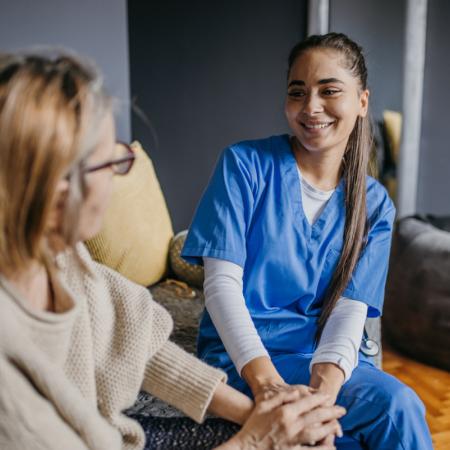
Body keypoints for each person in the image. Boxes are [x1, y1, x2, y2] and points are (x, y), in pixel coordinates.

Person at [0, 51, 346, 450]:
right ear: (54, 192)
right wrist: (258, 439)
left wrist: (260, 414)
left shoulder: (63, 260)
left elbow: (139, 344)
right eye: (108, 164)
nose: (116, 179)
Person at [181, 33, 433, 449]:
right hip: (245, 359)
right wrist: (266, 385)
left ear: (362, 102)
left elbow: (351, 309)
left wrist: (325, 394)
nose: (311, 106)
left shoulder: (374, 203)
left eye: (329, 90)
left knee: (397, 407)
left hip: (323, 361)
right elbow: (220, 287)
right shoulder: (243, 165)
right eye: (298, 92)